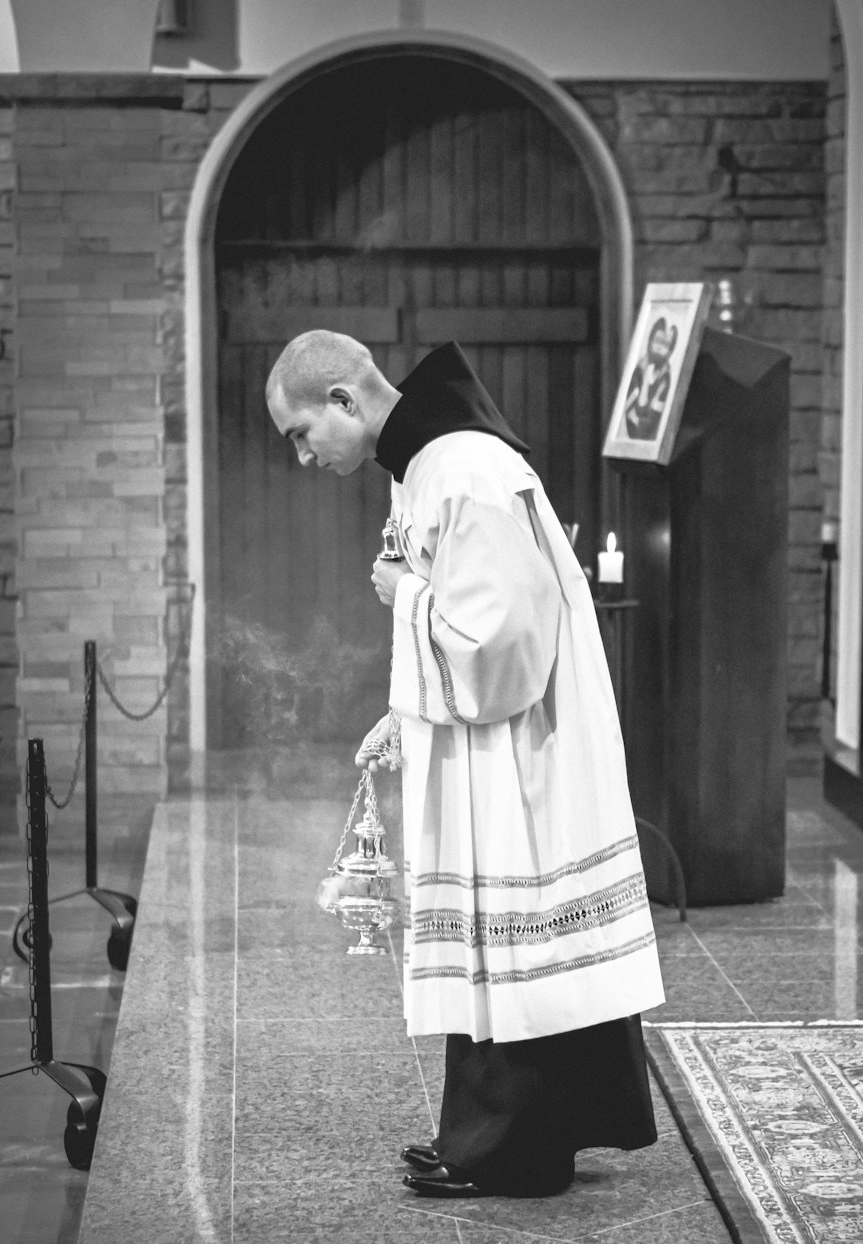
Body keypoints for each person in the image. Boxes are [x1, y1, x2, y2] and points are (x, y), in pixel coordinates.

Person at [266, 330, 666, 1198]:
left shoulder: (462, 469)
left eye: (300, 433)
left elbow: (501, 645)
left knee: (514, 932)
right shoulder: (433, 465)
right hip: (495, 733)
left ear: (342, 399)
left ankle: (513, 1151)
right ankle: (510, 1135)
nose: (302, 457)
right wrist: (402, 715)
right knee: (518, 938)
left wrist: (402, 595)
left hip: (523, 743)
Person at [623, 315, 678, 442]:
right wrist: (646, 378)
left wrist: (636, 418)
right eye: (657, 341)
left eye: (665, 344)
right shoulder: (639, 370)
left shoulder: (665, 378)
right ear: (650, 341)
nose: (659, 347)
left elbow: (648, 424)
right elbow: (633, 410)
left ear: (670, 350)